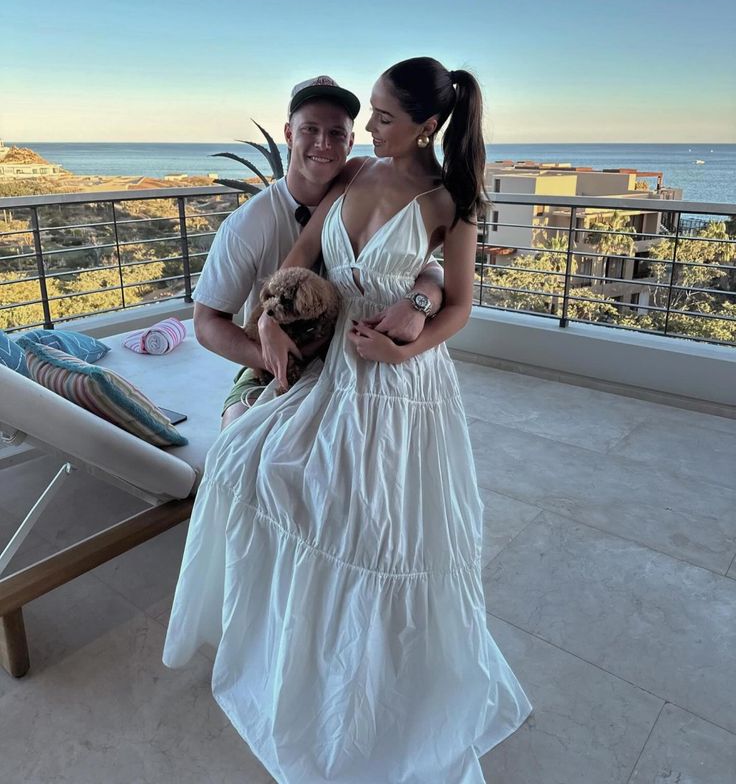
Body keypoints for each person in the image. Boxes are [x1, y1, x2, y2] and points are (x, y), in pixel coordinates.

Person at [163, 57, 532, 783]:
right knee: (254, 469)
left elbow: (459, 302)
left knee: (377, 530)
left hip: (400, 383)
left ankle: (376, 686)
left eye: (384, 117)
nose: (367, 128)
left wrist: (410, 342)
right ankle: (294, 656)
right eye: (371, 114)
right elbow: (300, 261)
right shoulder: (358, 175)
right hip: (333, 370)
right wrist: (271, 317)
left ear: (428, 126)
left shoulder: (449, 199)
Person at [191, 75, 443, 425]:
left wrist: (419, 301)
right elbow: (205, 323)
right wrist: (270, 353)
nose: (323, 143)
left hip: (350, 360)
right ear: (289, 134)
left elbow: (424, 266)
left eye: (336, 133)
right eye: (310, 129)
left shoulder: (364, 196)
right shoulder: (249, 223)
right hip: (270, 367)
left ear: (352, 142)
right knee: (239, 436)